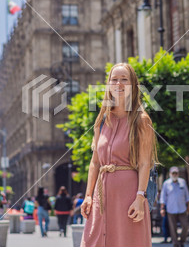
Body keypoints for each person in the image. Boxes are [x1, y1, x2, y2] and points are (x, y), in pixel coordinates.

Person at [80, 63, 159, 247]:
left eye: (124, 79)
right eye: (114, 79)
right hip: (101, 198)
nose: (119, 84)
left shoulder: (142, 120)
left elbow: (145, 163)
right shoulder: (101, 120)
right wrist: (88, 195)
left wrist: (140, 198)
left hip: (129, 198)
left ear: (133, 85)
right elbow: (95, 162)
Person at [160, 166, 189, 247]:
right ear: (170, 174)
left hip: (182, 209)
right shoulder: (166, 183)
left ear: (178, 174)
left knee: (185, 226)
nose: (174, 174)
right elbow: (163, 197)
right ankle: (175, 243)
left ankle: (182, 241)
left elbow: (187, 196)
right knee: (173, 228)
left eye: (176, 173)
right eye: (173, 173)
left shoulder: (183, 182)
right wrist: (162, 209)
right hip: (171, 209)